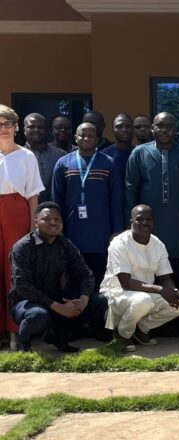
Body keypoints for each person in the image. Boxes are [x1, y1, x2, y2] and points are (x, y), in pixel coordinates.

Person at [9, 202, 104, 352]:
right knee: (38, 315)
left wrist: (84, 299)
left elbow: (86, 274)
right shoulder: (23, 247)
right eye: (47, 219)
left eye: (57, 219)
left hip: (55, 297)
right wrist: (57, 306)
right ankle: (24, 343)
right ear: (36, 222)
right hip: (25, 302)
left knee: (99, 301)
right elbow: (22, 286)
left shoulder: (65, 244)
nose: (53, 222)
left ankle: (61, 336)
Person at [125, 112, 179, 287]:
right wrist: (130, 225)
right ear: (153, 128)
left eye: (169, 127)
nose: (164, 130)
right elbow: (130, 190)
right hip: (148, 227)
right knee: (148, 278)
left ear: (176, 131)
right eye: (160, 125)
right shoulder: (139, 154)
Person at [102, 205, 179, 352]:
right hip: (117, 292)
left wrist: (173, 291)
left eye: (148, 219)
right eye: (139, 219)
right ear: (131, 222)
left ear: (153, 222)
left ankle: (141, 330)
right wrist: (161, 289)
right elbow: (125, 282)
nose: (144, 223)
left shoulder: (158, 244)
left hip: (146, 293)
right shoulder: (119, 243)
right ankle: (122, 334)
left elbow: (164, 277)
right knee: (143, 301)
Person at [51, 122, 123, 290]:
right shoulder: (63, 163)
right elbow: (57, 200)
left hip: (101, 235)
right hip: (72, 235)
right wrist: (58, 231)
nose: (86, 138)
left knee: (99, 284)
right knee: (75, 284)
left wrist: (117, 231)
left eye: (90, 135)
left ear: (97, 139)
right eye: (82, 135)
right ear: (75, 138)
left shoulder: (108, 163)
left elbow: (117, 200)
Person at [0, 104, 45, 351]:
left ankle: (15, 331)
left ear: (16, 127)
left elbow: (33, 197)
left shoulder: (27, 156)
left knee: (13, 272)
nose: (3, 129)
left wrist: (32, 230)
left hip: (16, 212)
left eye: (8, 124)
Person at [23, 112, 65, 203]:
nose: (36, 130)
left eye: (40, 127)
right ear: (24, 130)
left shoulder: (61, 155)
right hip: (25, 210)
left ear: (46, 130)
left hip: (54, 210)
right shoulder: (17, 156)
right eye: (31, 127)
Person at [102, 113, 135, 184]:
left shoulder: (140, 153)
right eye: (119, 126)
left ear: (133, 129)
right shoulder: (104, 156)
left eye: (128, 126)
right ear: (112, 130)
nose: (124, 130)